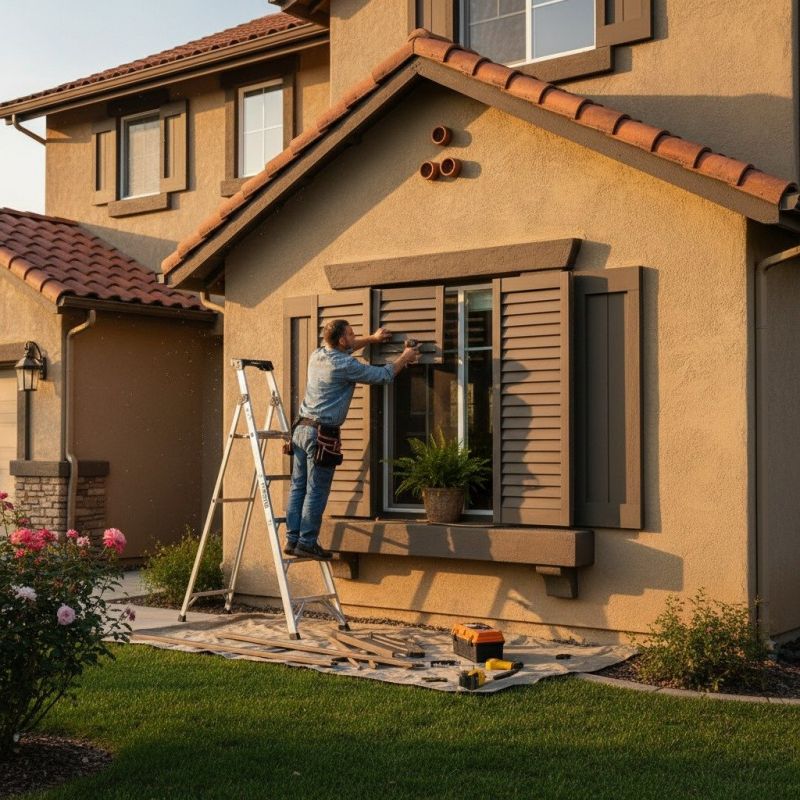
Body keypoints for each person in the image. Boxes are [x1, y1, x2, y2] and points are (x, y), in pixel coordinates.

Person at [285, 319, 419, 559]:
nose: (355, 336)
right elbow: (383, 375)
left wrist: (373, 339)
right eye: (351, 334)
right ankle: (306, 542)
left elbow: (351, 346)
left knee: (298, 487)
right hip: (320, 435)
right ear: (341, 340)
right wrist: (404, 357)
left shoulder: (318, 354)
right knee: (316, 490)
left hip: (300, 429)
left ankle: (292, 539)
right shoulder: (344, 365)